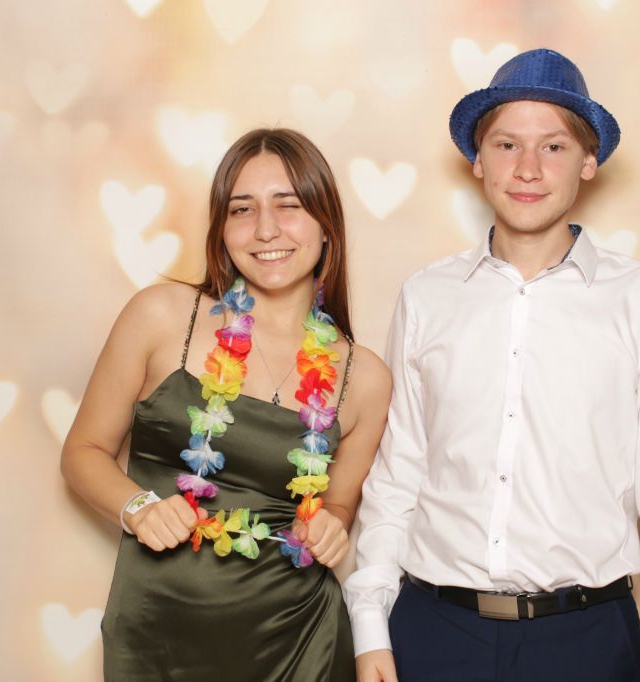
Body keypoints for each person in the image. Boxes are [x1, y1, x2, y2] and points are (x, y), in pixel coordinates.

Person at [345, 48, 640, 681]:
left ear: (588, 161)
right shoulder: (428, 297)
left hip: (586, 640)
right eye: (506, 145)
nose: (527, 168)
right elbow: (399, 476)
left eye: (553, 146)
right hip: (434, 631)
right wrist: (369, 625)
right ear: (478, 159)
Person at [61, 128, 391, 681]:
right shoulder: (162, 317)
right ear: (221, 230)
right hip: (157, 635)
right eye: (243, 209)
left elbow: (335, 507)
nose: (266, 229)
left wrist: (332, 525)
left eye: (289, 205)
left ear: (325, 225)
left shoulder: (364, 377)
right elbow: (83, 451)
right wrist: (139, 507)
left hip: (300, 642)